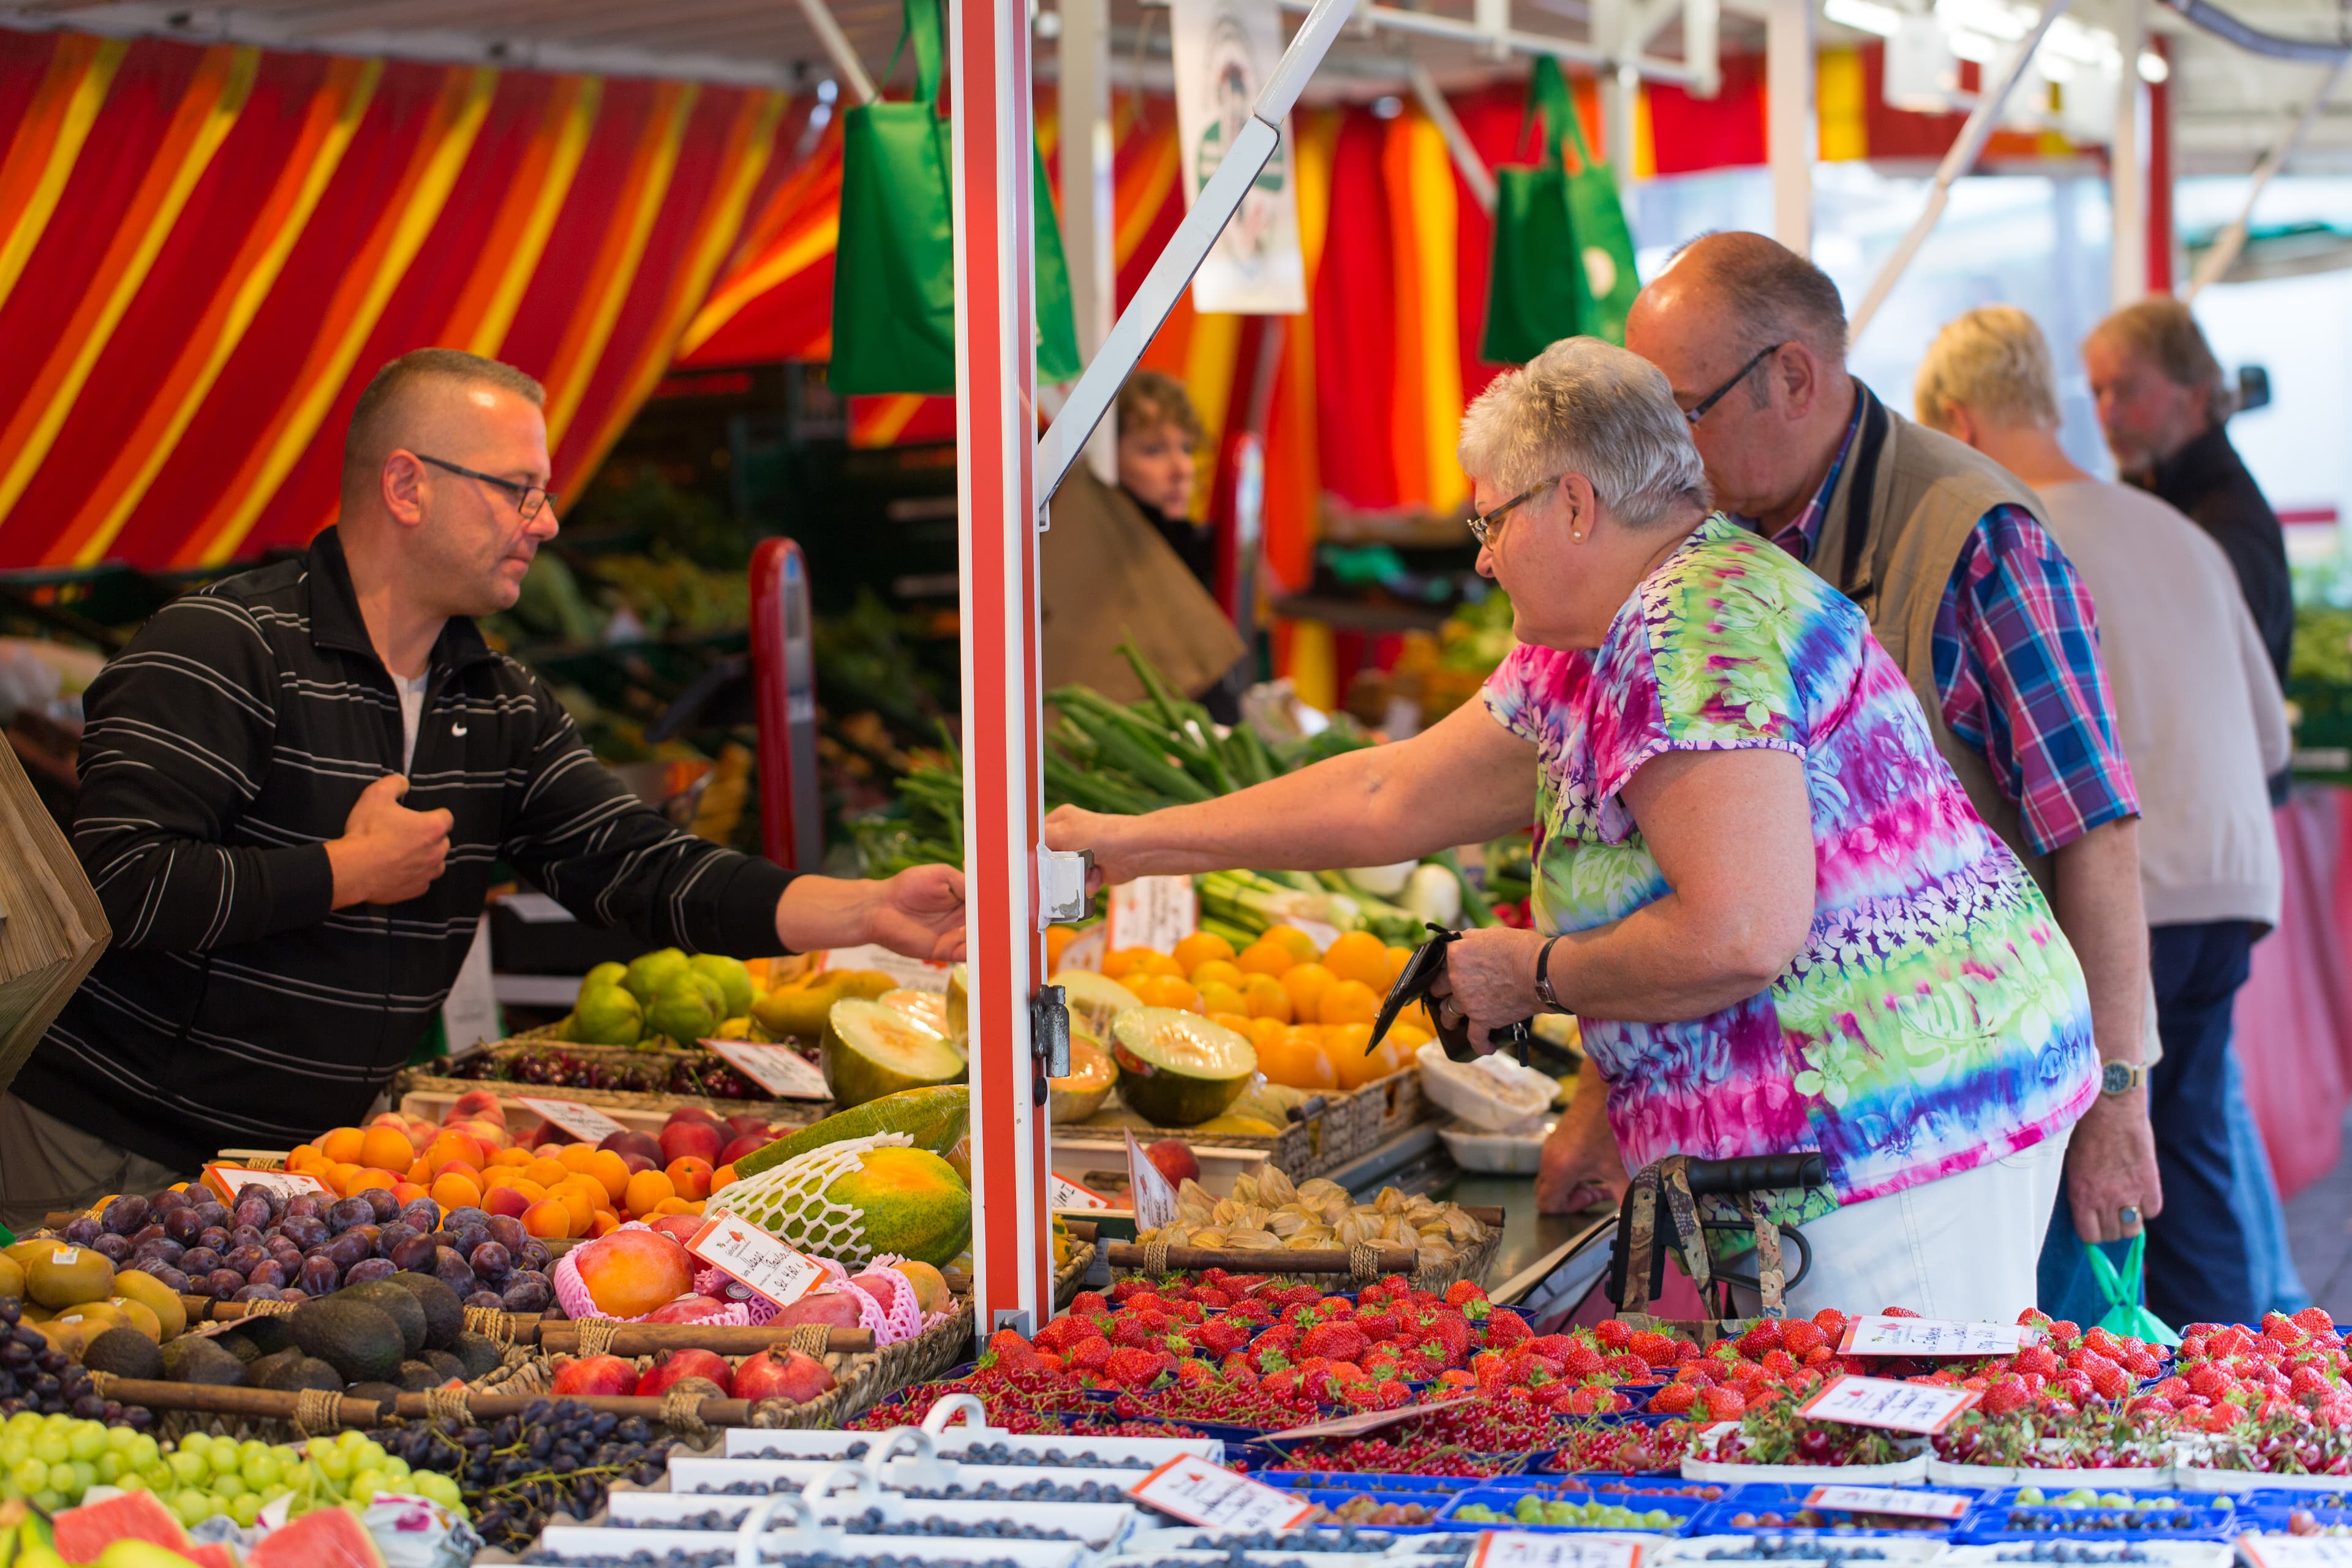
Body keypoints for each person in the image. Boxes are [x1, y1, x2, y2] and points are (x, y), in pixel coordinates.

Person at [1046, 337, 2099, 1317]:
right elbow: (1392, 796)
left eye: (1491, 523)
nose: (1483, 561)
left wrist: (1533, 973)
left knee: (1882, 1464)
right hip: (1840, 1127)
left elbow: (1740, 932)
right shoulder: (1589, 642)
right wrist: (1132, 841)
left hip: (1898, 1126)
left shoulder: (1695, 625)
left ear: (1578, 506)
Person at [0, 349, 965, 1231]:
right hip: (108, 1148)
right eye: (518, 490)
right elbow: (121, 884)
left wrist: (870, 909)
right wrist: (348, 870)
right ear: (407, 485)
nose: (544, 522)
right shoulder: (223, 649)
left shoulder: (496, 701)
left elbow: (640, 867)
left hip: (297, 1177)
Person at [1623, 232, 2160, 1258]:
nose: (1672, 453)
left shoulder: (1975, 536)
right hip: (1829, 1118)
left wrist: (2118, 1100)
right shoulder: (1722, 545)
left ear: (1792, 375)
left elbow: (2095, 828)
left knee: (1985, 1393)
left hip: (1980, 1106)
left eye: (1685, 412)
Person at [1916, 304, 2296, 1329]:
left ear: (1957, 419)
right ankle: (2228, 1398)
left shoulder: (1997, 538)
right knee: (2190, 1162)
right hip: (2232, 884)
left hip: (2121, 903)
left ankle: (2090, 1421)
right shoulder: (2176, 526)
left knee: (2082, 1183)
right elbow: (2273, 741)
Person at [2085, 298, 2291, 690]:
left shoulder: (2225, 521)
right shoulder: (2156, 498)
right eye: (2098, 392)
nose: (2108, 415)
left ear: (2196, 396)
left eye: (2128, 391)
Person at [1117, 371, 1215, 593]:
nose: (1184, 469)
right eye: (1154, 450)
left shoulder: (1193, 547)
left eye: (1186, 448)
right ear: (1108, 458)